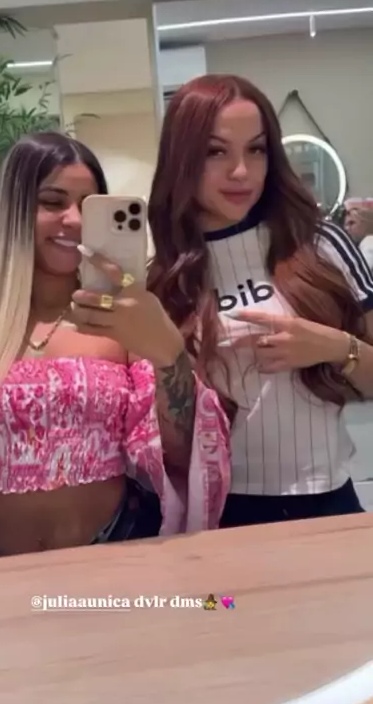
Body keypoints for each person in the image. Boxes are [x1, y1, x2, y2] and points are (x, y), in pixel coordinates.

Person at [0, 132, 230, 565]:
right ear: (13, 211)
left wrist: (169, 354)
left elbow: (180, 453)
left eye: (87, 205)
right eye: (52, 202)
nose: (74, 220)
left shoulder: (123, 322)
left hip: (113, 558)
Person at [148, 75, 373, 528]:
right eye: (216, 152)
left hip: (330, 501)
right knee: (222, 592)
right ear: (182, 159)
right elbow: (168, 440)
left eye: (256, 149)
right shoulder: (165, 281)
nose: (241, 172)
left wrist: (333, 347)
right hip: (223, 514)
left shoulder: (320, 244)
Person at [345, 205, 373, 271]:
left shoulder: (369, 242)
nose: (346, 228)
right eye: (346, 225)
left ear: (367, 224)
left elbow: (357, 271)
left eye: (351, 223)